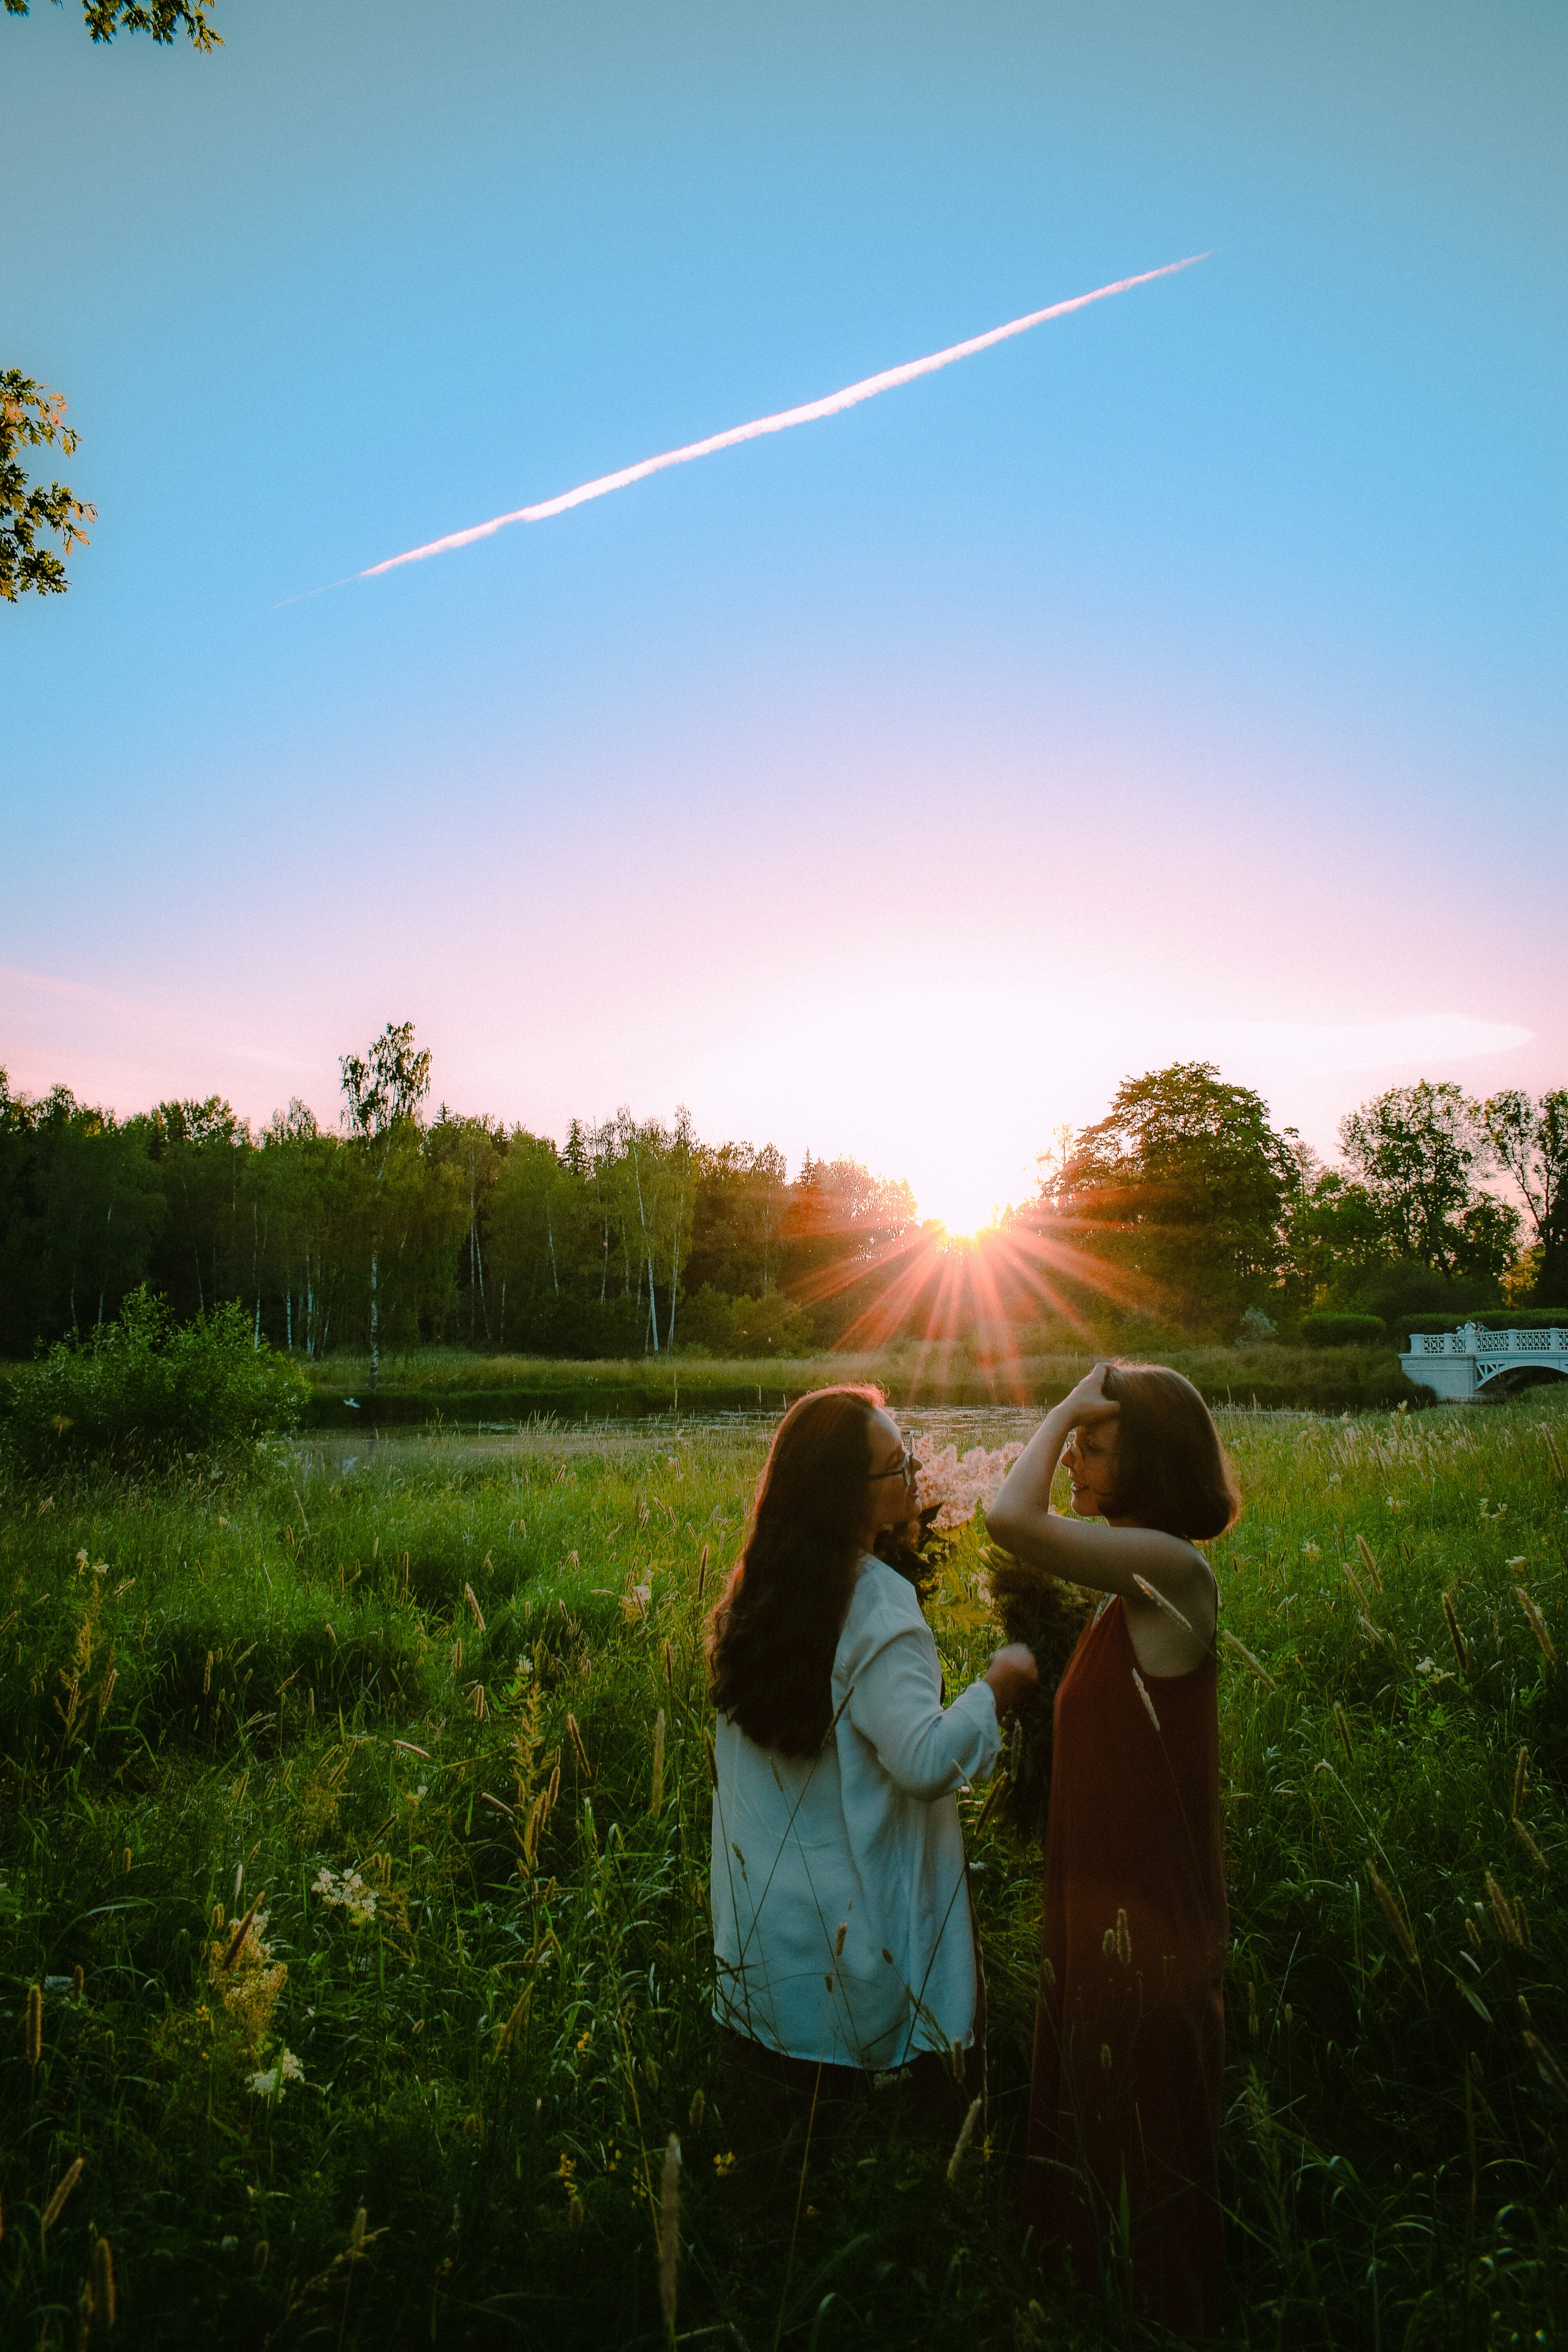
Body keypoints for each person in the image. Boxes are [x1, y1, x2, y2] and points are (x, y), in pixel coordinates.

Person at [706, 1384, 1037, 2149]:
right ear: (839, 1494)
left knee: (786, 2167)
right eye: (895, 1465)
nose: (914, 1472)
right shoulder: (877, 1603)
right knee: (877, 2154)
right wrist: (1000, 1685)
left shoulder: (761, 1590)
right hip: (852, 1956)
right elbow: (924, 1760)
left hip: (767, 1949)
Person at [986, 1361, 1239, 2340]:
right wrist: (1084, 1418)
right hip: (1103, 1925)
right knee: (1101, 2154)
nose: (1076, 1461)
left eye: (1096, 1445)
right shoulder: (1131, 1580)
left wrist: (1060, 1406)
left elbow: (1012, 1520)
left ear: (1149, 1461)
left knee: (1146, 2171)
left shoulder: (1167, 1571)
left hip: (1150, 1935)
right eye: (1078, 1443)